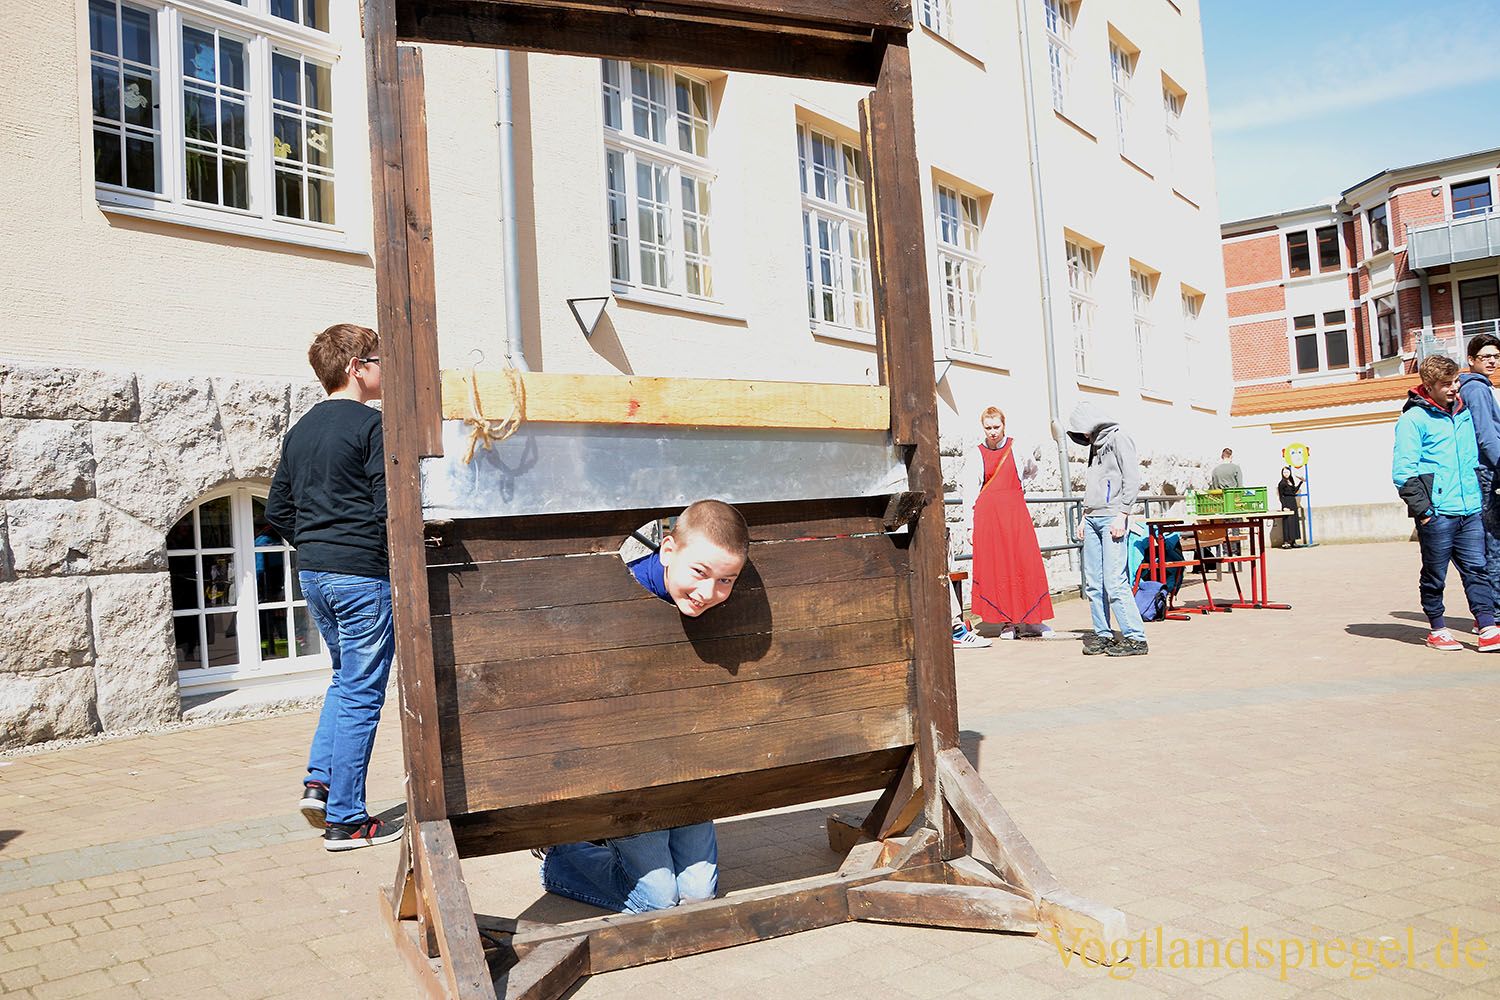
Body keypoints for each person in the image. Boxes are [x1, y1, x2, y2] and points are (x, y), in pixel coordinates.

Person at [539, 500, 749, 912]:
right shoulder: (621, 592)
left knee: (697, 896)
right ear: (667, 551)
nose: (709, 593)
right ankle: (564, 857)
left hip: (684, 763)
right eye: (699, 572)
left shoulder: (716, 604)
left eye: (727, 580)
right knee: (657, 901)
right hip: (625, 770)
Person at [266, 323, 401, 852]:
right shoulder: (373, 427)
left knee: (345, 682)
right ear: (355, 367)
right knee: (364, 693)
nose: (385, 365)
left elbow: (277, 509)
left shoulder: (299, 431)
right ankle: (347, 820)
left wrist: (320, 544)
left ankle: (320, 784)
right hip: (362, 576)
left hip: (316, 573)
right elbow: (389, 507)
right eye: (378, 357)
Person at [1391, 354, 1500, 652]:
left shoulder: (1464, 413)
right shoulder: (1414, 419)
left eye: (1455, 382)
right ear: (1429, 385)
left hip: (1471, 509)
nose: (1454, 388)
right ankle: (1437, 628)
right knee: (1435, 573)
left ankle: (1488, 627)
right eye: (1446, 384)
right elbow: (1403, 472)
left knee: (1477, 569)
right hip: (1438, 513)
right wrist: (1425, 512)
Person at [1067, 402, 1147, 657]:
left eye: (1085, 431)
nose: (1085, 437)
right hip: (1092, 518)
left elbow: (1132, 478)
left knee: (1114, 580)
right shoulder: (1094, 446)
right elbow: (1094, 483)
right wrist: (1084, 516)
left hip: (1112, 516)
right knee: (1093, 581)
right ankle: (1103, 634)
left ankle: (1135, 637)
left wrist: (1123, 513)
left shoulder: (1119, 438)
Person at [970, 407, 1055, 639]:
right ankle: (1006, 622)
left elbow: (1031, 470)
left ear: (1004, 425)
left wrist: (1019, 488)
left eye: (996, 427)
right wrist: (970, 526)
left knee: (1026, 561)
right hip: (989, 516)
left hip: (1015, 511)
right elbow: (970, 490)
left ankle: (1033, 619)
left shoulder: (1017, 447)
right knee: (999, 566)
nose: (993, 432)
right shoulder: (976, 453)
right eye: (988, 428)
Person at [1458, 333, 1500, 595]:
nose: (1492, 361)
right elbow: (1486, 437)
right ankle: (1494, 612)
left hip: (1487, 470)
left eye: (1496, 356)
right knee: (1493, 543)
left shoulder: (1479, 386)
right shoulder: (1476, 388)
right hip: (1488, 472)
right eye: (1486, 357)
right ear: (1471, 359)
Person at [1277, 467, 1303, 548]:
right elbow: (1281, 496)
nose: (1286, 474)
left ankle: (1293, 541)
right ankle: (1286, 542)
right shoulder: (1281, 483)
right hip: (1286, 503)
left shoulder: (1291, 481)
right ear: (1282, 473)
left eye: (1287, 472)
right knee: (1287, 522)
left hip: (1293, 502)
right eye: (1284, 472)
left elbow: (1294, 491)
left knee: (1294, 522)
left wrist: (1301, 482)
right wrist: (1284, 506)